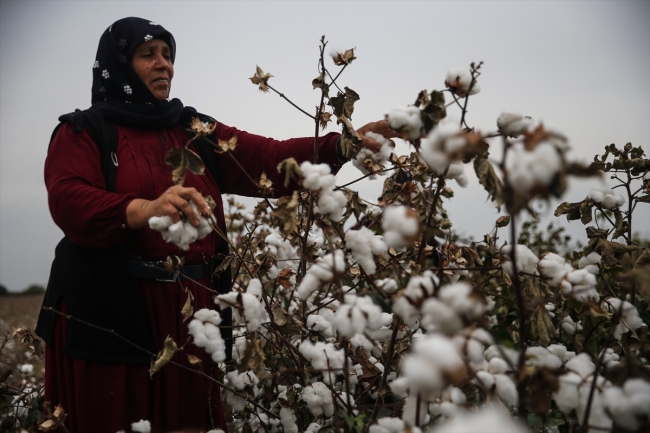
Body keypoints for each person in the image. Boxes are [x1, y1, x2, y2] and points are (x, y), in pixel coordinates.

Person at [35, 17, 395, 433]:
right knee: (117, 420)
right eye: (147, 55)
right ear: (116, 65)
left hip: (191, 311)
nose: (163, 65)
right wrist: (144, 208)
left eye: (168, 55)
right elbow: (68, 200)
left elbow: (268, 159)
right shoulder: (83, 131)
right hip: (111, 305)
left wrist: (342, 144)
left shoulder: (194, 130)